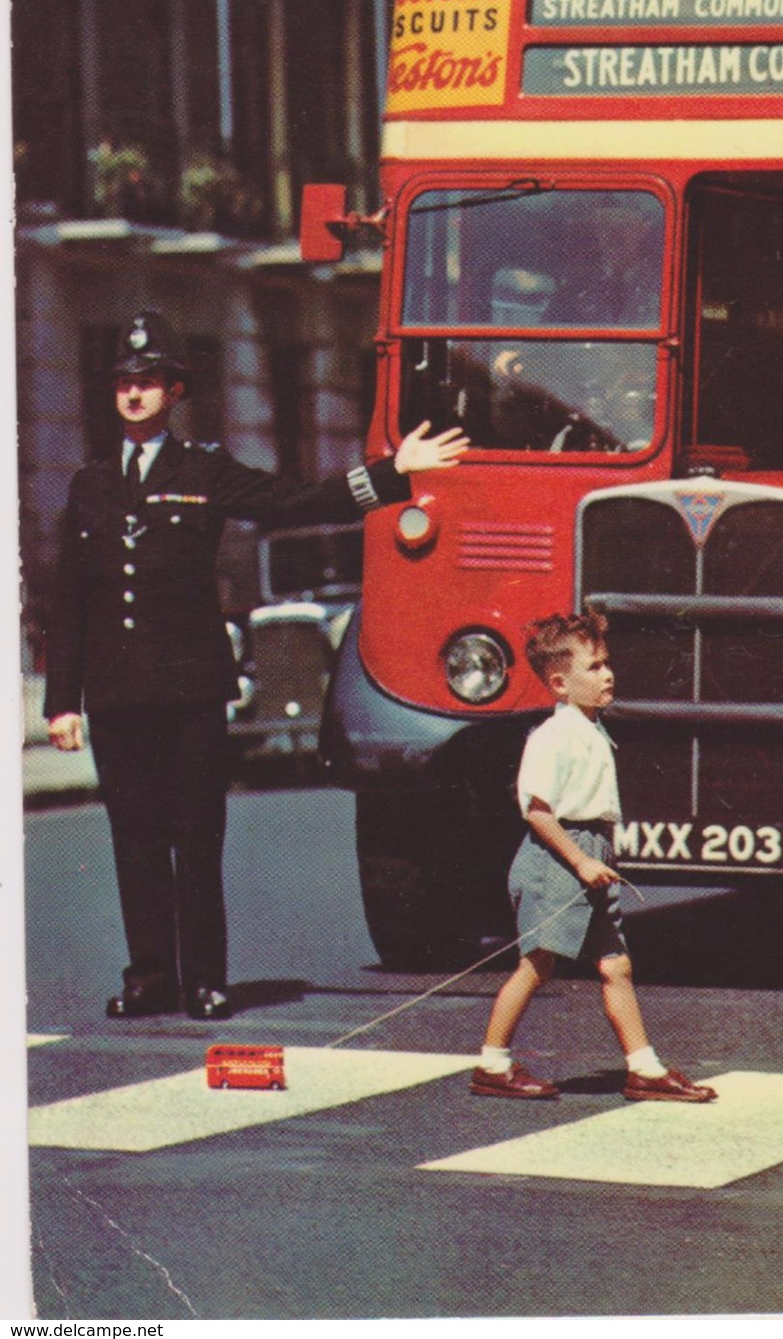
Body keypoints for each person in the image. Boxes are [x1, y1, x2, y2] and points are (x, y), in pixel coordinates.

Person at [45, 310, 469, 1022]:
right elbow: (70, 601)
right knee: (134, 840)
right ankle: (149, 976)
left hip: (189, 691)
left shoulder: (204, 470)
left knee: (195, 835)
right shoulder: (88, 484)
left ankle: (205, 979)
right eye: (125, 382)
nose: (135, 394)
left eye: (149, 382)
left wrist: (393, 474)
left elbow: (296, 500)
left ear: (175, 391)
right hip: (118, 694)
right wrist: (63, 701)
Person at [471, 610, 717, 1102]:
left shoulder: (590, 728)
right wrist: (581, 861)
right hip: (558, 855)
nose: (608, 674)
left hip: (592, 849)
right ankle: (492, 1064)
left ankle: (644, 1068)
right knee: (537, 964)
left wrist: (597, 854)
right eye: (595, 667)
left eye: (607, 664)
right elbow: (538, 813)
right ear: (560, 683)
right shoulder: (551, 737)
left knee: (615, 965)